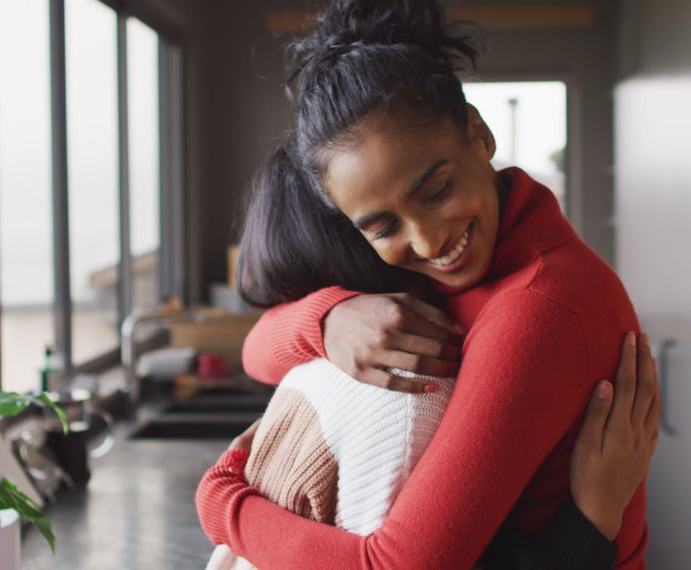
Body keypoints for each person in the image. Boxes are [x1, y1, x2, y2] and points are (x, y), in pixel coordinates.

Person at [197, 1, 651, 567]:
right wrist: (326, 320)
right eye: (383, 226)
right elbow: (256, 352)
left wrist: (223, 505)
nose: (428, 241)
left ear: (478, 134)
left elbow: (398, 566)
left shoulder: (538, 304)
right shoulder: (465, 275)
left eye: (435, 190)